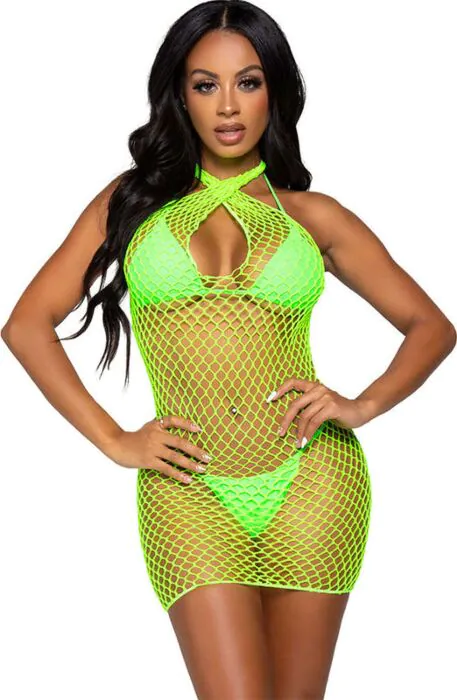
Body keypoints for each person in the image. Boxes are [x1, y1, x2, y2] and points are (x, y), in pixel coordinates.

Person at [2, 1, 456, 698]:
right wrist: (116, 440)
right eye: (204, 84)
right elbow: (27, 323)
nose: (227, 106)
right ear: (179, 95)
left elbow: (431, 326)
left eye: (247, 82)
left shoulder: (312, 216)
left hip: (313, 483)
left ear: (274, 89)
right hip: (187, 488)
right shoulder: (132, 202)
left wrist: (360, 405)